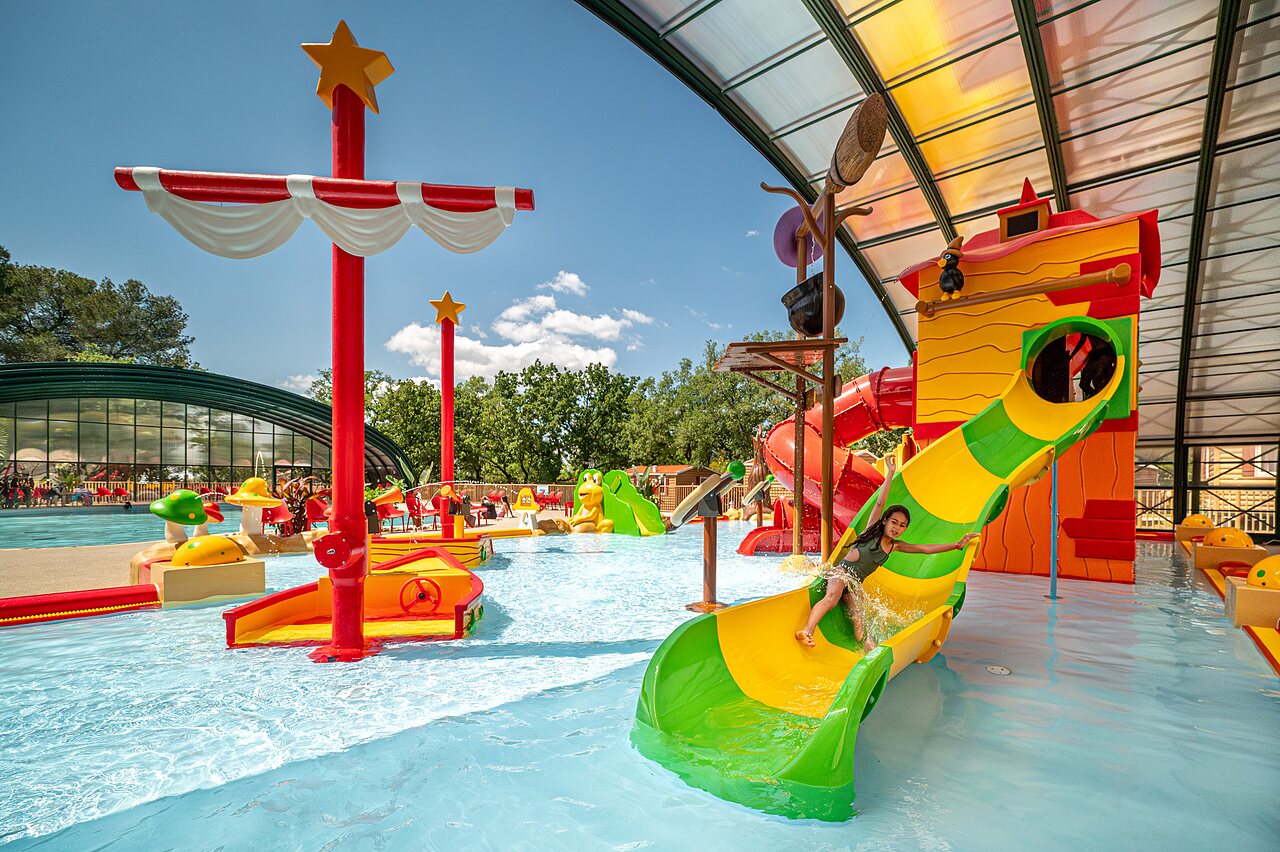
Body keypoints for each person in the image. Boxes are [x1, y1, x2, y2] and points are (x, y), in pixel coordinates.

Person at [795, 454, 977, 649]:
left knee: (858, 619)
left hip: (854, 585)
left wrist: (956, 545)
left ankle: (864, 650)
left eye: (902, 525)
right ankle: (806, 630)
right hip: (842, 574)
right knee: (831, 598)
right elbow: (880, 503)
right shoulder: (870, 531)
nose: (897, 527)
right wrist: (890, 473)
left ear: (905, 529)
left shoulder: (894, 546)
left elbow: (925, 549)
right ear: (885, 521)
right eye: (894, 522)